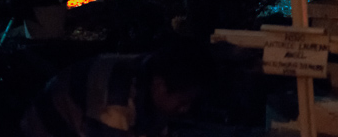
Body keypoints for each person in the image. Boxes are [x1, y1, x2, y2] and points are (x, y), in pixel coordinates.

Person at [21, 44, 208, 137]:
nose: (185, 109)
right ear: (160, 86)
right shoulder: (114, 104)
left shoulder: (150, 73)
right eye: (182, 102)